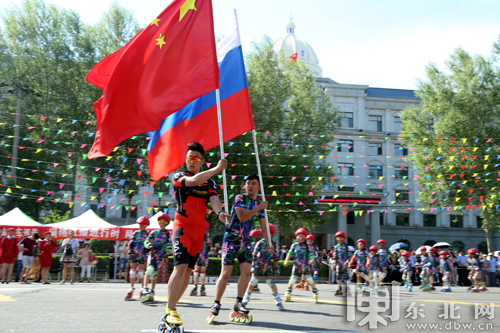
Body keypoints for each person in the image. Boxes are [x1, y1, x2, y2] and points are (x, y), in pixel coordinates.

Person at [164, 142, 229, 327]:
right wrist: (217, 168)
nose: (191, 161)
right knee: (180, 266)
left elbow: (214, 198)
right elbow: (193, 182)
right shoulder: (179, 176)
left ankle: (173, 307)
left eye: (195, 159)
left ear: (202, 161)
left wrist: (219, 213)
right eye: (189, 158)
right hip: (182, 227)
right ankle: (170, 309)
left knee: (189, 271)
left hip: (199, 232)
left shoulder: (210, 182)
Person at [209, 173, 269, 323]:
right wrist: (259, 207)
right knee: (226, 272)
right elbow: (242, 217)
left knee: (247, 271)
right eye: (248, 183)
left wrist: (269, 243)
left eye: (253, 183)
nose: (250, 185)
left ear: (259, 187)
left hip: (245, 241)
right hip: (230, 238)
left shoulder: (260, 205)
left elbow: (264, 226)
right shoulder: (240, 198)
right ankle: (216, 303)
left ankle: (238, 302)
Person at [242, 223, 282, 310]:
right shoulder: (260, 243)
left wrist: (277, 268)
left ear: (272, 234)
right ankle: (245, 298)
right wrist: (252, 265)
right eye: (266, 233)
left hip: (267, 265)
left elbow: (275, 257)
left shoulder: (274, 245)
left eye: (270, 234)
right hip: (258, 264)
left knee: (270, 281)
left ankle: (277, 299)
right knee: (253, 280)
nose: (268, 235)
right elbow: (254, 254)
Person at [142, 213, 171, 302]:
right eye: (160, 221)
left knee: (154, 274)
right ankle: (145, 287)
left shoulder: (167, 234)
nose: (161, 223)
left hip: (161, 257)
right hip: (153, 255)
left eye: (163, 222)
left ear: (166, 223)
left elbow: (170, 244)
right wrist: (149, 245)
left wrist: (169, 251)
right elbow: (146, 241)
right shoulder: (154, 232)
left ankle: (152, 290)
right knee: (149, 270)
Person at [283, 228, 318, 302]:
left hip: (305, 265)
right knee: (292, 279)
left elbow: (311, 254)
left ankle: (315, 292)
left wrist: (312, 260)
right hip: (296, 265)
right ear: (296, 237)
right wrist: (286, 260)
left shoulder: (308, 246)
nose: (300, 237)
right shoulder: (294, 245)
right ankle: (288, 292)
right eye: (298, 236)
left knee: (309, 279)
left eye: (302, 236)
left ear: (305, 238)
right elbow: (290, 253)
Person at [125, 216, 150, 300]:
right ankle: (131, 288)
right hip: (134, 254)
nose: (142, 226)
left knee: (141, 273)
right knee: (132, 272)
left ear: (146, 226)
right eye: (140, 225)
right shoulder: (135, 233)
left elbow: (149, 245)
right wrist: (129, 253)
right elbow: (130, 244)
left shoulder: (148, 234)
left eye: (144, 225)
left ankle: (142, 289)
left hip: (142, 255)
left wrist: (148, 252)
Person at [190, 221, 212, 296]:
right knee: (196, 272)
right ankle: (195, 286)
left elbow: (210, 247)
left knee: (202, 273)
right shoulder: (196, 236)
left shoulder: (207, 238)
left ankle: (202, 287)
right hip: (197, 256)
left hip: (204, 256)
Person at [332, 231, 349, 296]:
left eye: (340, 238)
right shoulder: (336, 247)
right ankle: (339, 287)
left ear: (343, 238)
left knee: (346, 276)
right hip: (339, 263)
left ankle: (347, 287)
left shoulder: (346, 246)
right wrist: (334, 261)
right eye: (337, 239)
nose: (338, 240)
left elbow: (349, 255)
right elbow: (335, 255)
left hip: (345, 263)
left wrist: (347, 261)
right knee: (338, 276)